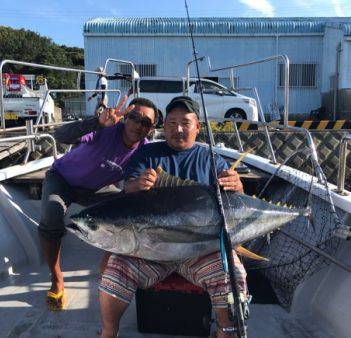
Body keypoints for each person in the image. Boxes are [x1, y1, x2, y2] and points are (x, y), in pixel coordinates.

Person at [99, 96, 248, 338]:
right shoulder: (147, 154)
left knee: (234, 275)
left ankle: (226, 333)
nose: (178, 129)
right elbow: (127, 189)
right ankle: (108, 333)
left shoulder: (210, 159)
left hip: (199, 249)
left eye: (185, 123)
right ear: (164, 126)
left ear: (197, 127)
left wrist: (237, 186)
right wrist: (136, 185)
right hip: (150, 249)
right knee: (116, 268)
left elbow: (234, 202)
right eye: (171, 123)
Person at [39, 96, 158, 310]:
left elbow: (135, 183)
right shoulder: (106, 127)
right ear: (125, 117)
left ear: (150, 129)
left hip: (96, 190)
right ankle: (56, 278)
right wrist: (96, 123)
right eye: (134, 117)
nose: (138, 125)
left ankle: (107, 262)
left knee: (130, 206)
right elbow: (61, 135)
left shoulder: (144, 151)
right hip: (62, 179)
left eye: (146, 123)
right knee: (51, 214)